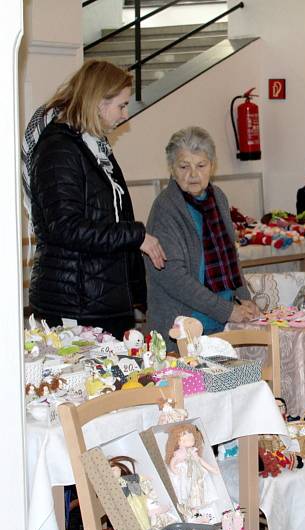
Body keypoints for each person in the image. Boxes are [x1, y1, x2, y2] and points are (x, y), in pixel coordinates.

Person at [24, 60, 166, 339]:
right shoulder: (59, 149)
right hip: (74, 303)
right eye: (121, 105)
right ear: (98, 102)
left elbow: (109, 216)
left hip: (99, 299)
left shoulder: (94, 147)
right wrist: (136, 235)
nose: (125, 115)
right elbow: (66, 227)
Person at [145, 127, 258, 348]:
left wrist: (244, 297)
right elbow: (174, 278)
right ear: (172, 169)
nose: (193, 175)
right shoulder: (166, 208)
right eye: (184, 166)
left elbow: (230, 255)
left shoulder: (218, 198)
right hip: (183, 329)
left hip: (220, 324)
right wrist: (227, 310)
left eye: (201, 165)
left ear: (212, 166)